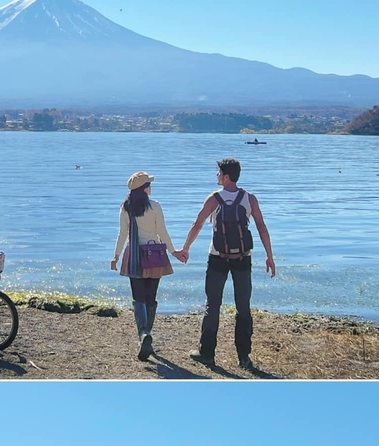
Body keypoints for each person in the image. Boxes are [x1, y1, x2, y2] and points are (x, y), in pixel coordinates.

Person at [181, 158, 275, 370]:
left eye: (218, 173)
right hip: (243, 259)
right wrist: (270, 256)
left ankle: (206, 354)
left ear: (225, 177)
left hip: (217, 258)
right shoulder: (249, 199)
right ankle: (243, 357)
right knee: (243, 308)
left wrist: (185, 248)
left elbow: (197, 224)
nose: (216, 177)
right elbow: (261, 227)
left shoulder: (214, 199)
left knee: (212, 305)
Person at [111, 171, 187, 362]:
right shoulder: (155, 206)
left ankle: (144, 334)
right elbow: (162, 232)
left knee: (138, 299)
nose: (151, 187)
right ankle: (147, 337)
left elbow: (122, 235)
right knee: (150, 298)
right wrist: (173, 251)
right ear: (144, 189)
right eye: (149, 184)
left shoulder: (126, 208)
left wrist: (116, 256)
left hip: (135, 256)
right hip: (154, 256)